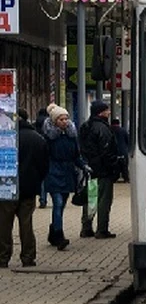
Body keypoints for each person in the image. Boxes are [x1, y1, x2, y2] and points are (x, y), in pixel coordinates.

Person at [0, 110, 48, 268]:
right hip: (29, 188)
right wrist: (36, 181)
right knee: (26, 224)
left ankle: (3, 258)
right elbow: (44, 166)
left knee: (4, 224)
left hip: (7, 186)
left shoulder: (5, 138)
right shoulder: (38, 139)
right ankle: (28, 257)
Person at [41, 104, 81, 250]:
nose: (65, 122)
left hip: (67, 173)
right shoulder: (48, 137)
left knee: (62, 204)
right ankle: (59, 235)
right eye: (61, 119)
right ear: (54, 121)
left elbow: (76, 155)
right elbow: (44, 156)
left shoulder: (71, 136)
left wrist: (84, 166)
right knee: (57, 203)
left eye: (66, 118)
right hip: (53, 172)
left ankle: (53, 230)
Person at [79, 101, 120, 239]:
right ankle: (102, 229)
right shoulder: (103, 128)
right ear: (100, 112)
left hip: (90, 169)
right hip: (103, 170)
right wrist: (114, 167)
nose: (109, 112)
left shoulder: (85, 126)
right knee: (104, 200)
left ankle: (86, 228)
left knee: (90, 198)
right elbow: (107, 151)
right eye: (106, 110)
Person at [35, 108, 49, 208]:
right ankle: (44, 198)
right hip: (47, 153)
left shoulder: (35, 124)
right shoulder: (49, 125)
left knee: (41, 179)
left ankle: (42, 198)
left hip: (38, 152)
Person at [110, 118, 130, 183]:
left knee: (115, 167)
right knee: (124, 167)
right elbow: (128, 141)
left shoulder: (109, 130)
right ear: (119, 123)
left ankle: (115, 178)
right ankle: (126, 178)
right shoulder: (123, 131)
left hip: (113, 152)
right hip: (123, 151)